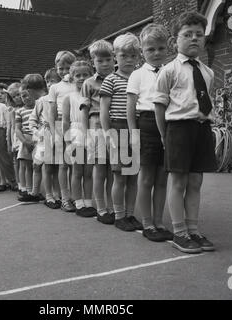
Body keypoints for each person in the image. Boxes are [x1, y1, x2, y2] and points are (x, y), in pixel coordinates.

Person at [154, 12, 217, 253]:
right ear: (175, 41)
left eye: (199, 35)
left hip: (201, 129)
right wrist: (163, 135)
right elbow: (159, 106)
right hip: (178, 129)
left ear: (204, 39)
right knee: (178, 181)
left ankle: (194, 230)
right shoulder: (168, 70)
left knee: (196, 181)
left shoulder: (208, 72)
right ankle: (179, 232)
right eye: (187, 34)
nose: (194, 39)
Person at [127, 23, 173, 242]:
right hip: (146, 124)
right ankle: (147, 223)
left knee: (162, 178)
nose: (156, 53)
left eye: (160, 48)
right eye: (150, 49)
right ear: (142, 52)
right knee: (146, 178)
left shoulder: (172, 71)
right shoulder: (137, 75)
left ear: (168, 48)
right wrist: (133, 135)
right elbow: (130, 108)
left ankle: (159, 221)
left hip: (169, 124)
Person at [100, 33, 142, 232]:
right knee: (119, 176)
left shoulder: (140, 78)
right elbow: (103, 111)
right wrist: (108, 134)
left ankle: (130, 214)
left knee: (133, 175)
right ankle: (118, 215)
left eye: (133, 55)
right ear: (115, 56)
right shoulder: (111, 79)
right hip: (117, 128)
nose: (129, 60)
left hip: (136, 128)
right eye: (124, 55)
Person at [80, 39, 115, 224]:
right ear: (93, 62)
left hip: (115, 127)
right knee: (100, 169)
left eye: (108, 59)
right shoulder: (89, 83)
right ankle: (101, 209)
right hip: (96, 127)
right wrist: (85, 135)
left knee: (113, 170)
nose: (105, 64)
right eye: (100, 61)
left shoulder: (120, 79)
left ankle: (112, 206)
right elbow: (84, 112)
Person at [62, 60, 97, 217]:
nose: (82, 78)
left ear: (91, 75)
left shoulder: (93, 94)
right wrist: (68, 142)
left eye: (85, 75)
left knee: (88, 172)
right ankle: (78, 203)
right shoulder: (69, 97)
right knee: (77, 171)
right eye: (78, 75)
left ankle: (88, 202)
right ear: (72, 77)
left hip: (92, 133)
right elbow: (65, 121)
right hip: (76, 134)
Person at [48, 51, 77, 212]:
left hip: (76, 125)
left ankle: (74, 196)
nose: (65, 72)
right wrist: (54, 132)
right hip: (60, 125)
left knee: (75, 164)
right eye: (61, 68)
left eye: (68, 68)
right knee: (63, 165)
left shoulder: (79, 83)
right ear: (56, 68)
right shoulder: (55, 87)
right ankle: (65, 198)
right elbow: (51, 112)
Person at [29, 68, 62, 209]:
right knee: (48, 167)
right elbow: (32, 120)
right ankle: (49, 196)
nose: (49, 84)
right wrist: (37, 133)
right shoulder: (42, 100)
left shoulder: (62, 98)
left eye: (53, 81)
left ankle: (57, 195)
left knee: (57, 167)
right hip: (47, 136)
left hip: (60, 134)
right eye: (47, 81)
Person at [16, 74, 45, 202]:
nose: (27, 97)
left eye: (27, 93)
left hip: (41, 137)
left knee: (42, 166)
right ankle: (31, 191)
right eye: (23, 95)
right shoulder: (21, 111)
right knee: (32, 166)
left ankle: (43, 192)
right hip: (30, 138)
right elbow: (19, 128)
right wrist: (26, 141)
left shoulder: (41, 103)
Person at [6, 82, 24, 191]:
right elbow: (12, 127)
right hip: (17, 138)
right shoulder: (12, 110)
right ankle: (20, 183)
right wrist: (11, 143)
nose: (17, 98)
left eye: (18, 94)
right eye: (14, 97)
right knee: (17, 162)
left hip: (28, 136)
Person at [0, 83, 9, 191]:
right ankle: (1, 181)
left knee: (9, 158)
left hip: (8, 133)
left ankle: (10, 180)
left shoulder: (9, 106)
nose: (0, 95)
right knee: (0, 159)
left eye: (2, 93)